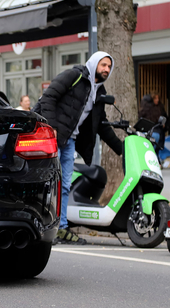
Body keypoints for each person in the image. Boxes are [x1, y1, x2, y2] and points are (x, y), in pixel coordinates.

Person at [34, 51, 123, 245]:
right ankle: (42, 225)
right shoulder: (75, 76)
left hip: (69, 142)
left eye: (109, 66)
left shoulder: (100, 92)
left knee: (64, 186)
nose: (106, 69)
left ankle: (61, 228)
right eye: (103, 65)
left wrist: (122, 149)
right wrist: (52, 127)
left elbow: (101, 125)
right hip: (51, 137)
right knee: (48, 184)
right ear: (94, 63)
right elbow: (48, 97)